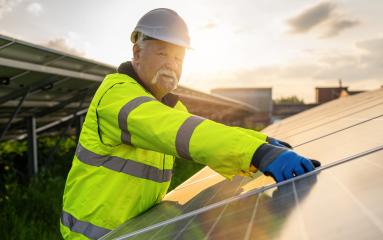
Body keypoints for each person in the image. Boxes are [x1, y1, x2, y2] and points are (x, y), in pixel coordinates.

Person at [60, 8, 319, 240]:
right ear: (137, 52)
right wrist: (257, 153)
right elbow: (182, 131)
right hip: (94, 235)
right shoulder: (117, 95)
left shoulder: (168, 106)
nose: (171, 65)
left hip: (136, 226)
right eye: (162, 53)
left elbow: (208, 132)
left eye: (178, 58)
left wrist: (260, 142)